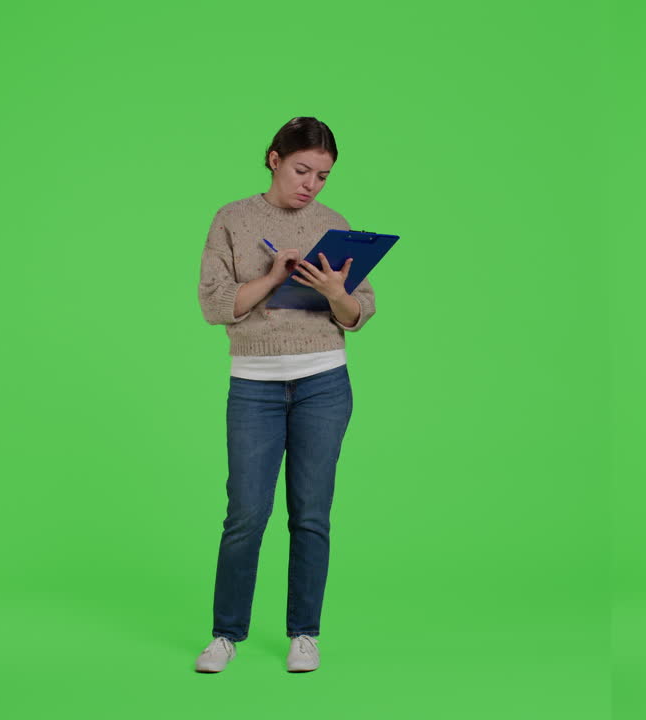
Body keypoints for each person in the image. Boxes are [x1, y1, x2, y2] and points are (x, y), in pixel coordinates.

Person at [194, 117, 376, 673]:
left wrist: (336, 293)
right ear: (274, 159)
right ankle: (226, 634)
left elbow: (359, 313)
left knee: (312, 513)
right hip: (255, 384)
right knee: (246, 512)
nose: (312, 185)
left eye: (323, 176)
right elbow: (214, 305)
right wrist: (274, 278)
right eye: (303, 170)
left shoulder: (334, 224)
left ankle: (304, 633)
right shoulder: (233, 219)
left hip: (324, 380)